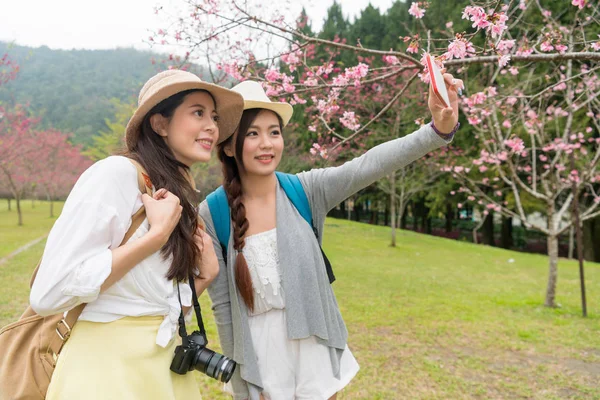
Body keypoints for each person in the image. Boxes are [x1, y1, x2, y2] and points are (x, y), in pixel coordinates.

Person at [198, 73, 463, 400]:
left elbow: (369, 165)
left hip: (315, 348)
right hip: (258, 358)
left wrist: (437, 131)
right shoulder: (212, 214)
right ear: (227, 147)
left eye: (274, 132)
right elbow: (222, 305)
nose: (267, 144)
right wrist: (242, 377)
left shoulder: (305, 190)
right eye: (252, 134)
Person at [29, 69, 244, 399]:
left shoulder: (176, 194)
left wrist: (206, 276)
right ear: (159, 123)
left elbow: (153, 304)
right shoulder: (114, 174)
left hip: (162, 369)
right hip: (105, 372)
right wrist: (154, 238)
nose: (212, 126)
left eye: (213, 116)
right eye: (198, 112)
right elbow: (48, 292)